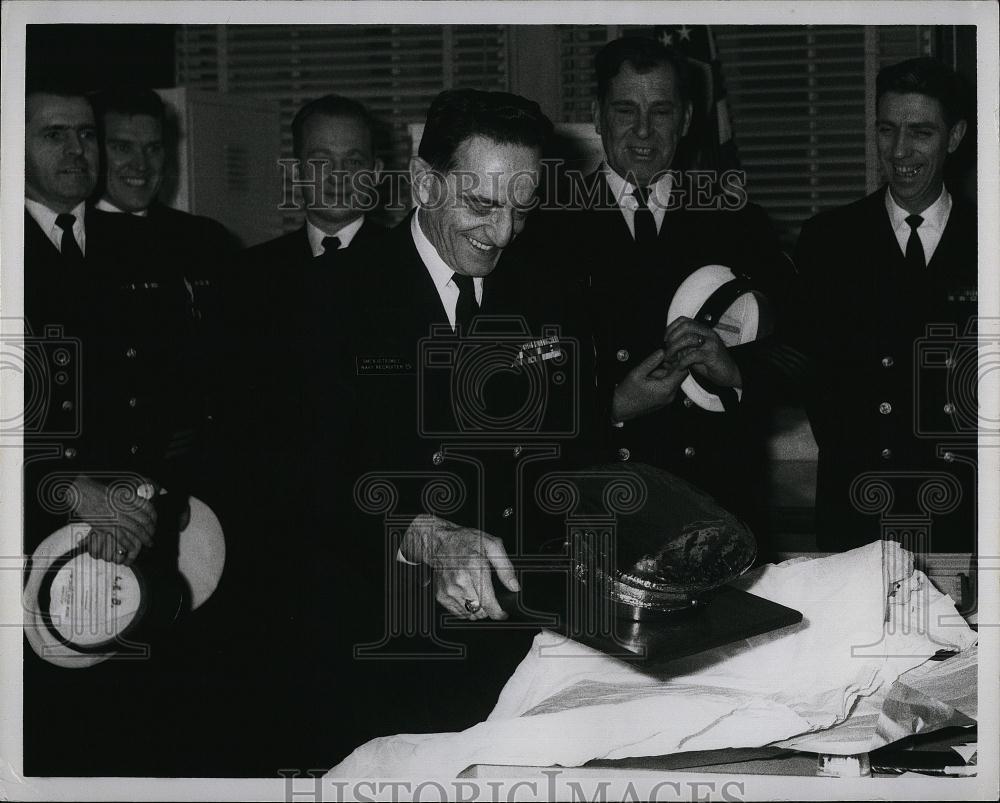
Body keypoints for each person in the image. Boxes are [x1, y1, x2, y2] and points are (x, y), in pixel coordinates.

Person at [300, 88, 597, 768]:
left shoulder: (548, 292)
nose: (504, 233)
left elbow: (575, 457)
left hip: (516, 651)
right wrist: (421, 533)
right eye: (483, 205)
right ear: (424, 182)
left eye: (523, 208)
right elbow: (294, 477)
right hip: (375, 654)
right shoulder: (326, 298)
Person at [21, 82, 226, 776]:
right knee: (47, 744)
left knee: (144, 734)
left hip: (134, 530)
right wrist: (70, 490)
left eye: (85, 134)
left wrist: (136, 497)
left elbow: (161, 397)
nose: (78, 150)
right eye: (54, 134)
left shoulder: (134, 246)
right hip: (29, 536)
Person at [525, 37, 790, 541]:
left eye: (661, 111)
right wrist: (610, 406)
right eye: (625, 110)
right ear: (597, 115)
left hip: (717, 508)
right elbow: (520, 388)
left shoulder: (739, 224)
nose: (643, 131)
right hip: (600, 510)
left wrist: (736, 370)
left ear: (686, 119)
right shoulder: (542, 231)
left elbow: (800, 358)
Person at [793, 57, 976, 553]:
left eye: (921, 132)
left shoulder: (989, 237)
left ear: (955, 137)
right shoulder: (828, 241)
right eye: (887, 129)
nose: (899, 151)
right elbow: (808, 372)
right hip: (859, 512)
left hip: (964, 511)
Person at [91, 86, 238, 330]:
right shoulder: (71, 241)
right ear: (92, 151)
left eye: (153, 148)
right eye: (123, 148)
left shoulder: (206, 238)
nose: (141, 165)